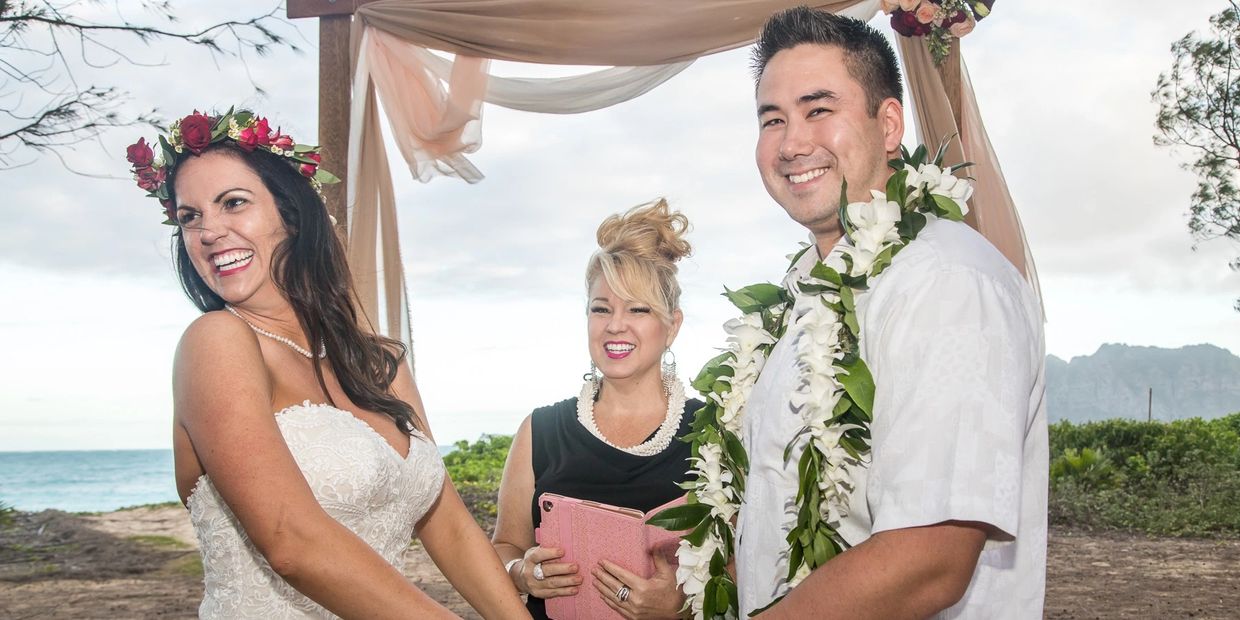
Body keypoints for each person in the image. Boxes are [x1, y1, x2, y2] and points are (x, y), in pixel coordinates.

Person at [127, 109, 531, 619]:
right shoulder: (218, 343)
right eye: (190, 216)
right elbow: (290, 539)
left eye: (233, 203)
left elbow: (446, 521)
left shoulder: (379, 362)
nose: (209, 231)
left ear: (291, 216)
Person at [734, 7, 1048, 619]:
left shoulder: (949, 284)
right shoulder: (807, 294)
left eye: (818, 109)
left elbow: (931, 557)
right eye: (773, 119)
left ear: (889, 124)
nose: (793, 142)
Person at [491, 199, 702, 619]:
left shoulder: (714, 431)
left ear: (672, 325)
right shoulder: (540, 430)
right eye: (600, 308)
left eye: (637, 309)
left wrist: (683, 605)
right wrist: (521, 572)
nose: (614, 325)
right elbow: (503, 548)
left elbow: (748, 564)